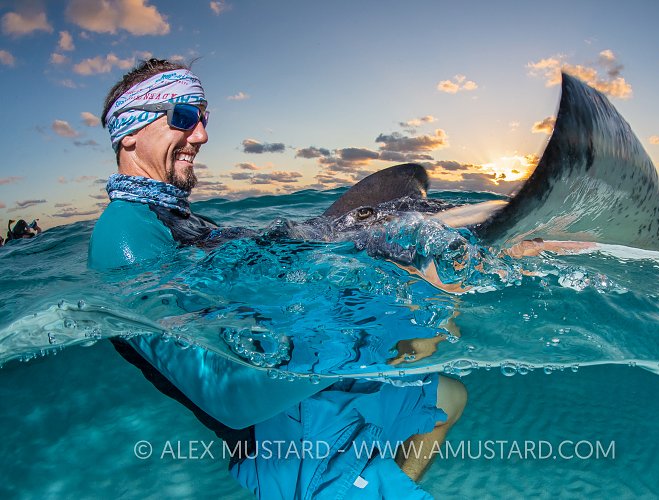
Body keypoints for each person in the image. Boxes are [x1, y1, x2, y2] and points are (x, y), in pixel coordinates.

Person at [89, 58, 466, 498]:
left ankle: (380, 482)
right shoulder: (124, 235)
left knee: (450, 399)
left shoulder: (183, 220)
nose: (202, 134)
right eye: (184, 117)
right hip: (285, 434)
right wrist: (392, 326)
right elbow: (227, 395)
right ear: (129, 132)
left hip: (309, 378)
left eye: (203, 118)